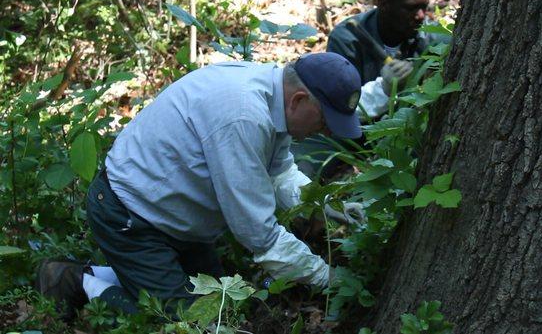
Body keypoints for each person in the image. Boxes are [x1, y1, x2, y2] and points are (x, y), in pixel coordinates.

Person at [35, 52, 365, 318]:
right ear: (299, 100)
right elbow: (259, 234)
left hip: (175, 220)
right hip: (130, 216)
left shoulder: (271, 96)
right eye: (324, 120)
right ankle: (74, 282)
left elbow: (279, 173)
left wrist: (329, 206)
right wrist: (327, 277)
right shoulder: (244, 114)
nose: (327, 132)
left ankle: (125, 276)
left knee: (223, 308)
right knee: (187, 324)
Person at [292, 0, 449, 177]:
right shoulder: (348, 37)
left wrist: (418, 78)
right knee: (307, 154)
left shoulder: (436, 40)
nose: (421, 16)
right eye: (411, 9)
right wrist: (386, 86)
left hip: (405, 127)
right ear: (383, 4)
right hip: (354, 128)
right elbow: (340, 105)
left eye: (424, 7)